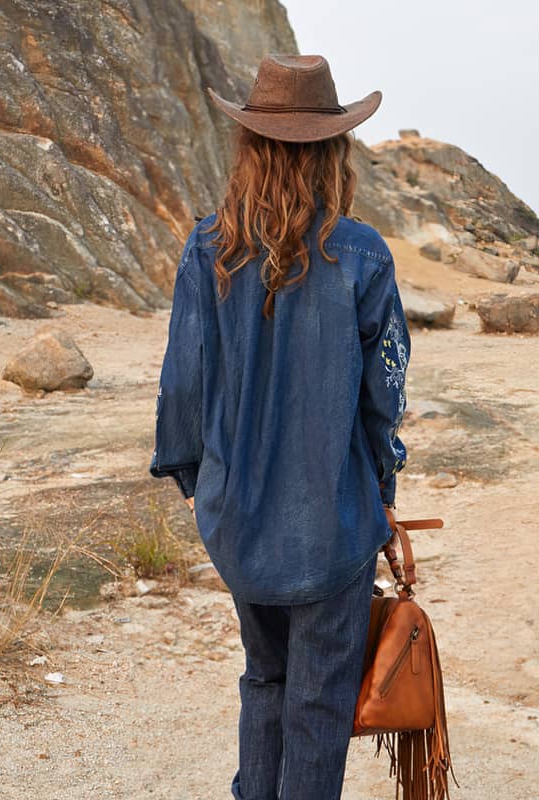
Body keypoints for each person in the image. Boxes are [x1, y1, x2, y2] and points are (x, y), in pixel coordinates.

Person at [149, 54, 411, 800]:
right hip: (335, 521)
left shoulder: (208, 248)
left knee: (265, 678)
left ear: (250, 146)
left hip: (239, 517)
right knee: (318, 700)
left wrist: (203, 486)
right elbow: (383, 394)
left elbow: (183, 384)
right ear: (334, 149)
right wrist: (382, 487)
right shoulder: (363, 253)